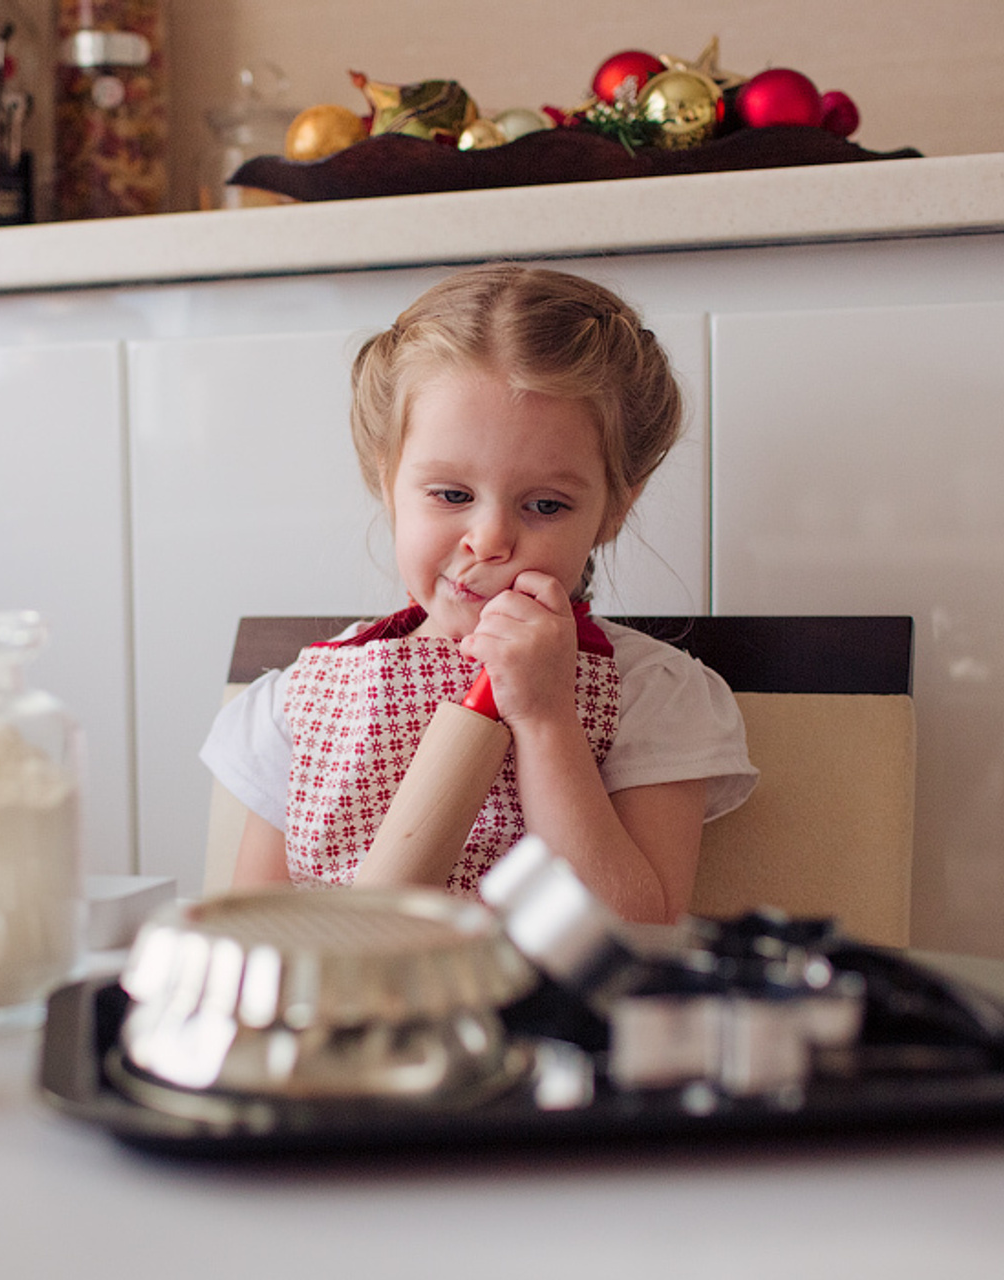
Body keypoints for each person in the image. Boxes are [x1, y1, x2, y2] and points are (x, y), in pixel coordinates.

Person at [201, 264, 757, 923]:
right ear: (387, 482)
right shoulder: (301, 704)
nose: (490, 539)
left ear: (614, 508)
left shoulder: (650, 697)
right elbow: (252, 938)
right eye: (451, 495)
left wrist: (546, 720)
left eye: (545, 505)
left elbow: (639, 934)